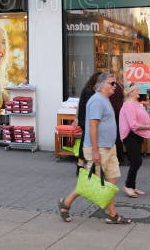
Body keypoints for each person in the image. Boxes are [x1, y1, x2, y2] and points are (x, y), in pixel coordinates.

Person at [59, 73, 130, 225]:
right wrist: (96, 150)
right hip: (98, 149)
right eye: (112, 83)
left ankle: (112, 214)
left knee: (109, 183)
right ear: (102, 84)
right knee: (91, 183)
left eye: (115, 83)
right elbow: (93, 125)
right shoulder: (97, 100)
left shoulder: (105, 99)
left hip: (109, 147)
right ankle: (66, 203)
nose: (114, 86)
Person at [119, 83, 150, 198]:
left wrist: (149, 124)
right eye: (137, 91)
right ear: (131, 92)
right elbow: (133, 125)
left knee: (136, 161)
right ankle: (128, 186)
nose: (139, 93)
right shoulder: (128, 105)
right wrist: (149, 127)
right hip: (130, 135)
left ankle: (132, 186)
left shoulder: (136, 104)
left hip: (137, 135)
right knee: (136, 161)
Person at [75, 72, 100, 174]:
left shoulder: (88, 89)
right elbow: (91, 107)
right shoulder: (89, 91)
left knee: (86, 142)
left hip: (85, 119)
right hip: (87, 120)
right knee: (86, 142)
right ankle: (81, 165)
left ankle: (81, 165)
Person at [108, 78, 125, 163]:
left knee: (115, 135)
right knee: (118, 134)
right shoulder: (120, 86)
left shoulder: (111, 87)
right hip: (119, 112)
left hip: (113, 113)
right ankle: (120, 156)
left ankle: (117, 156)